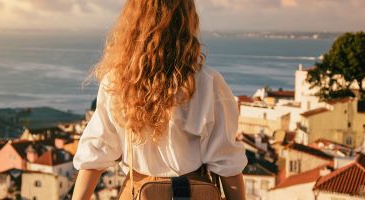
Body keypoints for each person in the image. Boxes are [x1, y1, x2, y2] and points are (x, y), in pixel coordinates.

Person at [71, 0, 247, 199]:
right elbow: (227, 163)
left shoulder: (117, 82)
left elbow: (95, 155)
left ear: (133, 23)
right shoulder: (208, 82)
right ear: (187, 21)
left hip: (137, 192)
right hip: (194, 193)